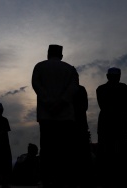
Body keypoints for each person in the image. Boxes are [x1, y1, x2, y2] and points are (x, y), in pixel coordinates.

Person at [31, 44, 79, 188]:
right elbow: (73, 88)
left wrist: (48, 102)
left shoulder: (39, 67)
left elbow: (36, 85)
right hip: (65, 116)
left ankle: (46, 178)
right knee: (64, 149)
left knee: (46, 148)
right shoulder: (70, 69)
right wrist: (61, 103)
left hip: (46, 115)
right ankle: (63, 178)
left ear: (48, 54)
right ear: (61, 55)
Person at [96, 67, 127, 187]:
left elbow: (103, 106)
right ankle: (120, 177)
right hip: (118, 123)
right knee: (119, 151)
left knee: (108, 152)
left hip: (107, 123)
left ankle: (108, 178)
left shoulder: (101, 89)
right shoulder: (123, 88)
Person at [72, 84, 94, 188]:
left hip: (76, 124)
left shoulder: (72, 89)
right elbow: (85, 106)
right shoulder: (81, 89)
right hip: (79, 124)